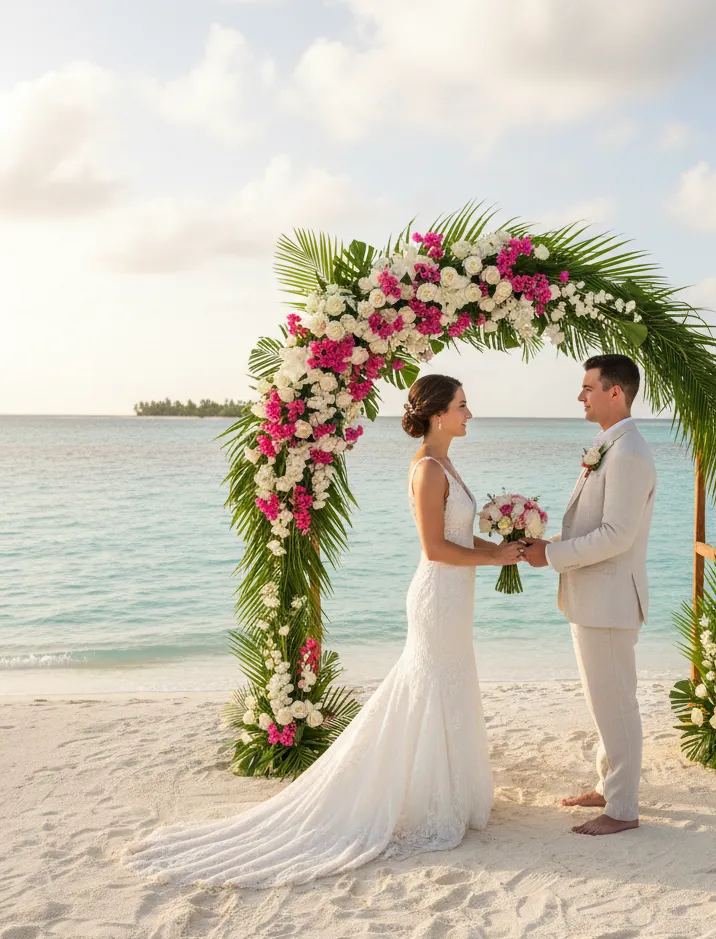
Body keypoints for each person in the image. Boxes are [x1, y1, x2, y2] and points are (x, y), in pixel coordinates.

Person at [122, 374, 522, 887]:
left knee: (448, 684)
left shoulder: (446, 462)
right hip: (438, 594)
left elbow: (458, 533)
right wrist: (493, 557)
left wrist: (506, 542)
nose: (470, 414)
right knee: (427, 687)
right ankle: (417, 799)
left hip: (455, 596)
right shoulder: (427, 468)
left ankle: (449, 793)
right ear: (438, 413)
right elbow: (435, 548)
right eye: (463, 405)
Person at [523, 354, 656, 837]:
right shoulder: (609, 445)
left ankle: (622, 810)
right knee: (605, 702)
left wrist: (552, 555)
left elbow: (618, 535)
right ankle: (608, 786)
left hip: (611, 599)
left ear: (614, 392)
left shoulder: (629, 453)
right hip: (594, 597)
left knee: (617, 703)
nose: (581, 396)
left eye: (588, 388)